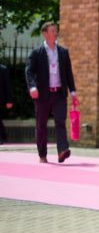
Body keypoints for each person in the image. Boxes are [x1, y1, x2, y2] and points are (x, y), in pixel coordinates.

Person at [25, 22, 78, 163]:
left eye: (56, 30)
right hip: (43, 95)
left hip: (59, 94)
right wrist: (32, 87)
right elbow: (29, 71)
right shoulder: (36, 53)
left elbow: (68, 73)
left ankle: (62, 150)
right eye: (52, 30)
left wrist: (73, 91)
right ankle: (42, 154)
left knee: (60, 122)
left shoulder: (63, 52)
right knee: (41, 125)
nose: (55, 33)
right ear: (45, 33)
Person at [0, 63, 13, 145]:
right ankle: (3, 136)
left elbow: (8, 86)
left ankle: (3, 137)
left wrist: (9, 100)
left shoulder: (3, 69)